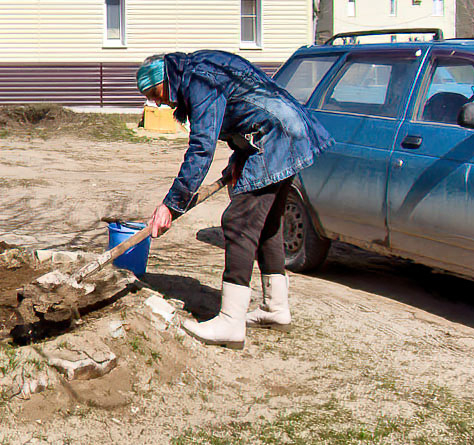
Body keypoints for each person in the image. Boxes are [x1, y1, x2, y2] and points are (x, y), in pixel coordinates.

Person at [136, 51, 333, 349]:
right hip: (288, 131)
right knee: (266, 225)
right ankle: (275, 309)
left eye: (155, 93)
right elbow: (245, 108)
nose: (158, 102)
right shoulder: (200, 69)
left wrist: (171, 204)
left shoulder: (199, 80)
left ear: (165, 80)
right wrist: (239, 158)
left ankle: (230, 322)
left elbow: (202, 148)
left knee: (238, 222)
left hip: (276, 138)